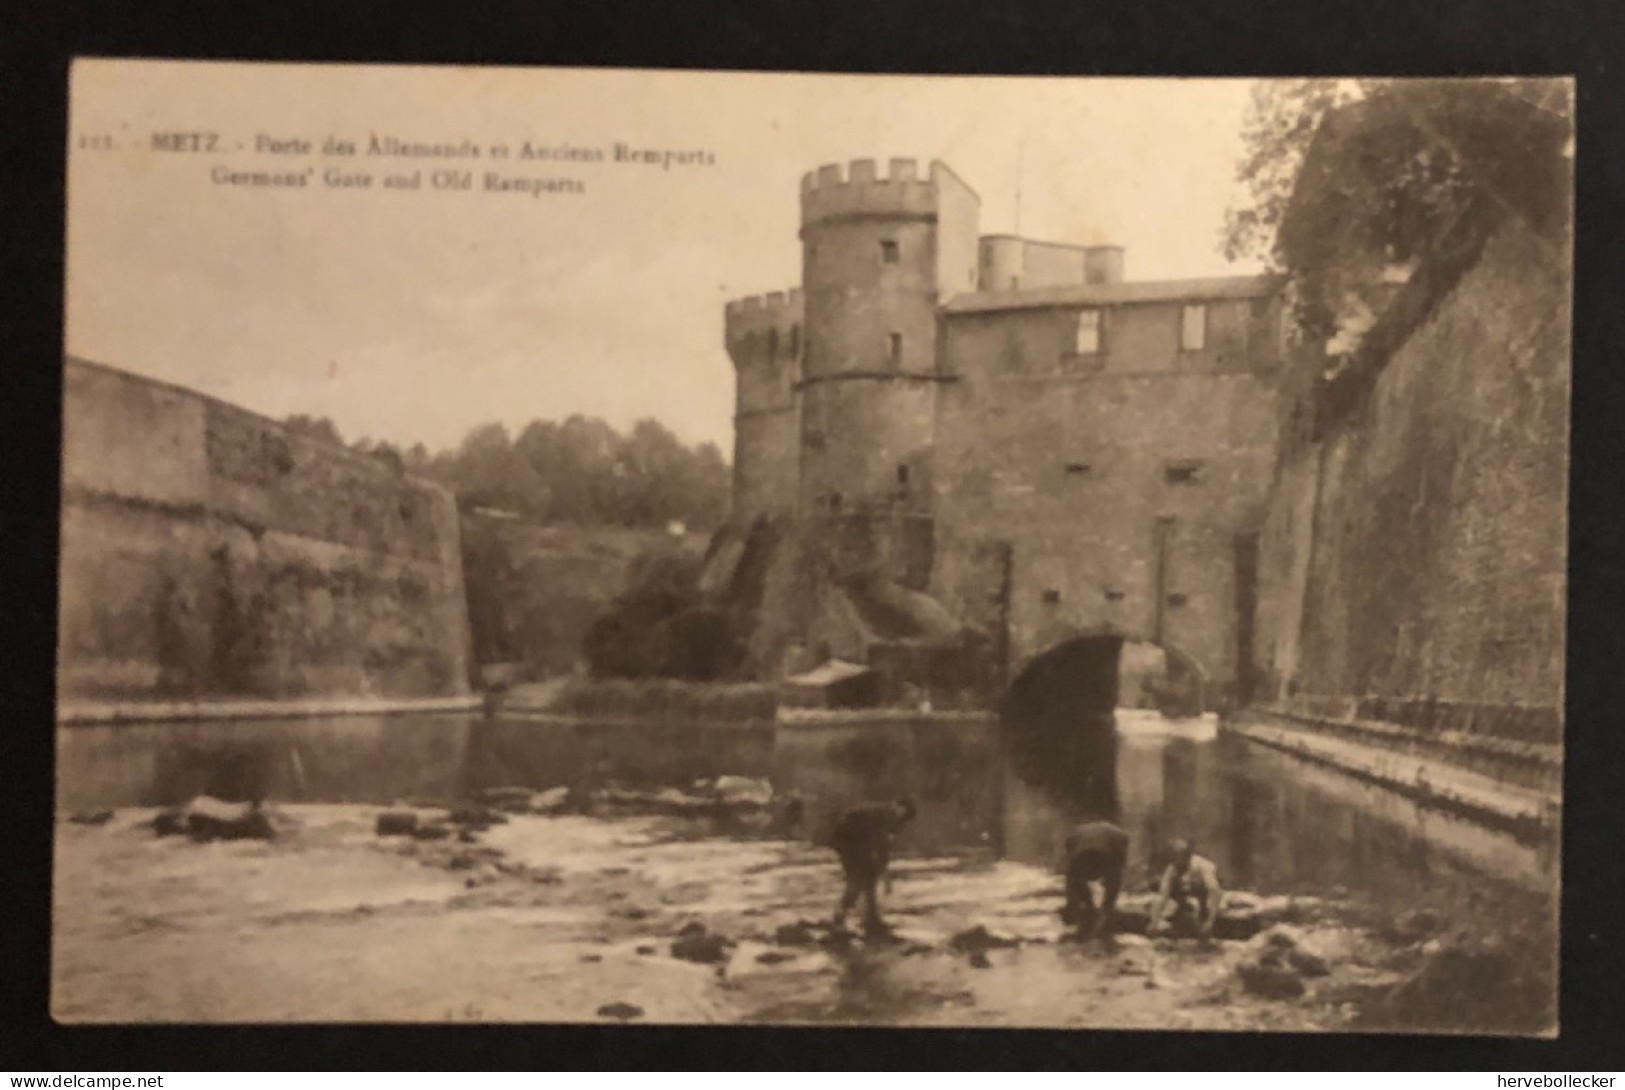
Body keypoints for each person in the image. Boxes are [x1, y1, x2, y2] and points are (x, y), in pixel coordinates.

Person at [829, 798, 916, 935]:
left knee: (869, 878)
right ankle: (840, 917)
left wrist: (881, 869)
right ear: (899, 806)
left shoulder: (886, 815)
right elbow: (881, 845)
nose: (902, 819)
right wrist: (884, 873)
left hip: (852, 842)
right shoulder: (885, 815)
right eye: (903, 815)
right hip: (850, 843)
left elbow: (881, 847)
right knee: (858, 880)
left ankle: (870, 918)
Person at [1059, 821, 1130, 939]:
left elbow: (1069, 862)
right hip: (1106, 852)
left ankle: (1083, 909)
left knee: (1075, 879)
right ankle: (1105, 913)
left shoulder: (1079, 830)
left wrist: (1072, 900)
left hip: (1081, 853)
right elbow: (1120, 864)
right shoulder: (1120, 835)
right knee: (1113, 882)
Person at [1148, 838, 1224, 938]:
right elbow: (1162, 895)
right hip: (1187, 890)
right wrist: (1154, 922)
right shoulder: (1172, 868)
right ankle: (1183, 907)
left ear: (1188, 857)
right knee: (1157, 883)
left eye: (1181, 858)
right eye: (1174, 858)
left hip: (1206, 891)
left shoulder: (1202, 866)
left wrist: (1210, 921)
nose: (1177, 862)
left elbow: (1215, 892)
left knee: (1198, 885)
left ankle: (1203, 912)